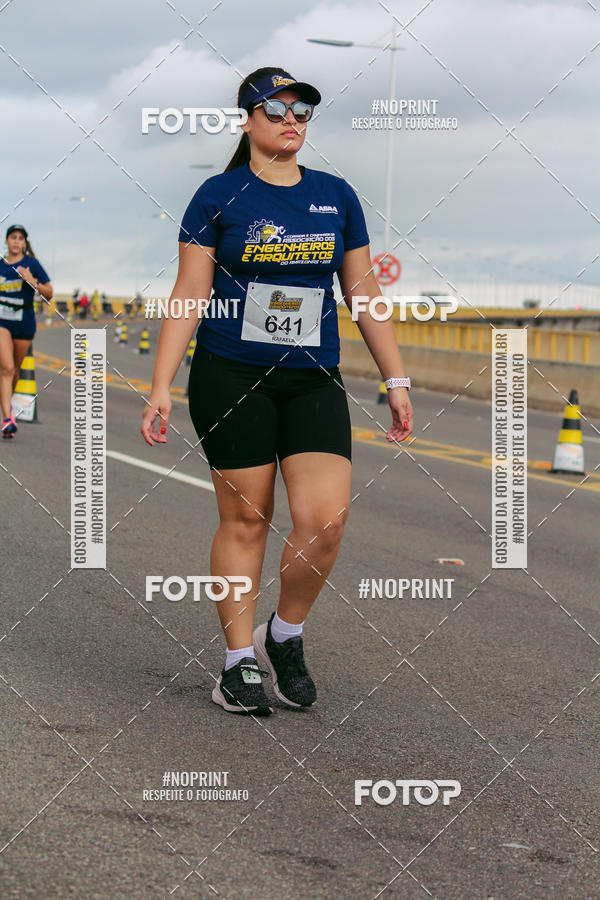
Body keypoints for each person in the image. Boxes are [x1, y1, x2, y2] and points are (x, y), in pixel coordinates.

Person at [141, 67, 413, 716]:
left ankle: (283, 634)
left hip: (312, 378)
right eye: (276, 109)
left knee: (326, 521)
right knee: (247, 517)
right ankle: (237, 662)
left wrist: (395, 378)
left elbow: (364, 292)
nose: (291, 120)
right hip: (231, 374)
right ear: (246, 121)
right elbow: (190, 293)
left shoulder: (335, 196)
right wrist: (160, 386)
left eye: (302, 111)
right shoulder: (217, 196)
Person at [0, 225, 52, 437]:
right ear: (6, 241)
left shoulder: (32, 264)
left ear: (24, 243)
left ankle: (7, 409)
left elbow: (49, 293)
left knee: (15, 372)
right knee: (7, 368)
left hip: (24, 324)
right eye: (13, 237)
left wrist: (33, 282)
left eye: (20, 238)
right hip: (2, 322)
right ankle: (7, 419)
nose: (16, 241)